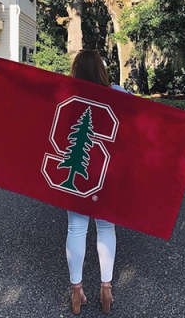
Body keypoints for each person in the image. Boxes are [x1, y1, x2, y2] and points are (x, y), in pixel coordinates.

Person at [66, 49, 128, 315]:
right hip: (107, 175)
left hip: (76, 172)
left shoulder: (66, 94)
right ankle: (106, 288)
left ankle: (76, 291)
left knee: (76, 228)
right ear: (101, 69)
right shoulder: (119, 93)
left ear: (76, 70)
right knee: (106, 228)